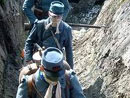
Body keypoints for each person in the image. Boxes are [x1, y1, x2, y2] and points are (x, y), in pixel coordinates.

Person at [16, 47, 86, 98]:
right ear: (42, 68)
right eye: (52, 76)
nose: (56, 79)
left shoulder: (70, 78)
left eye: (59, 75)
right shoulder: (28, 84)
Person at [25, 1, 73, 68]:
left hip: (58, 61)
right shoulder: (39, 25)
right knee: (27, 76)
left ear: (62, 16)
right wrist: (28, 59)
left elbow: (69, 50)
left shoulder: (67, 29)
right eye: (54, 17)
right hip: (39, 59)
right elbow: (29, 42)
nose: (56, 19)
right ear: (49, 14)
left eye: (58, 17)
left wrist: (71, 69)